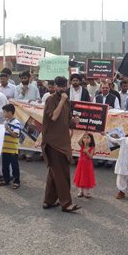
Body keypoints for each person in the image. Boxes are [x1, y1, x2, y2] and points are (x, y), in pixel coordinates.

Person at [41, 76, 82, 213]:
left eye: (63, 86)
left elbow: (67, 120)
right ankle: (66, 203)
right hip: (53, 142)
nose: (61, 89)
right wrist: (62, 100)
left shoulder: (67, 101)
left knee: (55, 173)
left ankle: (49, 200)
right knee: (61, 174)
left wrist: (74, 121)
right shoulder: (51, 99)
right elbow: (53, 117)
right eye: (58, 86)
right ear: (54, 86)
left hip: (63, 141)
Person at [102, 123, 128, 201]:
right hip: (122, 163)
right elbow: (114, 140)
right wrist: (106, 135)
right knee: (121, 178)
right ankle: (121, 191)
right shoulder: (123, 139)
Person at [0, 104, 22, 189]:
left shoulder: (16, 122)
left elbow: (16, 135)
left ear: (10, 112)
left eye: (4, 112)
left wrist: (8, 129)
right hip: (5, 148)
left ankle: (16, 181)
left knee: (14, 166)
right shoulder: (6, 122)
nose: (3, 113)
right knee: (5, 165)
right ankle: (6, 179)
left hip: (12, 149)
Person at [73, 133, 96, 198]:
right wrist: (83, 134)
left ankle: (87, 192)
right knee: (80, 177)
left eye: (88, 138)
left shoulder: (92, 148)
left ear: (91, 140)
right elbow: (78, 142)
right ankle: (80, 191)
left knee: (87, 178)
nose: (85, 139)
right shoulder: (82, 146)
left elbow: (91, 157)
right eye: (84, 138)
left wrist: (87, 152)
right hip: (80, 165)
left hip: (88, 166)